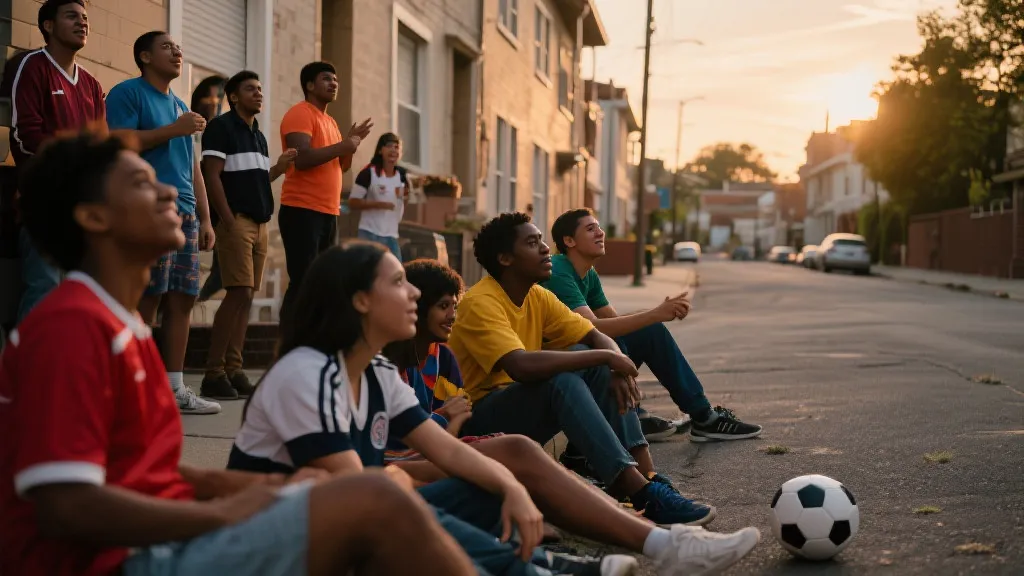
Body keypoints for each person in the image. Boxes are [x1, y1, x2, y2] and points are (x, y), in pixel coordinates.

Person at [0, 128, 478, 576]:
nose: (171, 191)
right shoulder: (72, 327)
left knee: (352, 494)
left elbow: (143, 472)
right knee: (372, 497)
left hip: (155, 545)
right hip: (120, 563)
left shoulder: (127, 326)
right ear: (93, 216)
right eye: (143, 184)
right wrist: (225, 514)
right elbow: (66, 505)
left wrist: (250, 488)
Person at [229, 243, 658, 576]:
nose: (413, 291)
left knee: (488, 481)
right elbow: (359, 488)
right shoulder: (306, 374)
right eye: (398, 282)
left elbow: (449, 452)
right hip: (292, 545)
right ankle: (535, 569)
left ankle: (634, 544)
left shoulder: (375, 370)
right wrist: (405, 468)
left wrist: (512, 489)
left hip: (353, 518)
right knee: (389, 495)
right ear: (361, 301)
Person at [380, 258, 762, 575]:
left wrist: (611, 359)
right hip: (442, 444)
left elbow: (597, 329)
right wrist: (453, 426)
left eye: (452, 305)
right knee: (530, 431)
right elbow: (515, 370)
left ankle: (646, 503)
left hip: (434, 452)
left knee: (523, 452)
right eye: (405, 289)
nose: (451, 314)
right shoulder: (371, 365)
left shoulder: (422, 358)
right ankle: (628, 533)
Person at [447, 212, 716, 527]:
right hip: (478, 420)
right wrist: (604, 358)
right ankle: (634, 489)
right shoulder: (481, 302)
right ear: (506, 258)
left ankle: (647, 478)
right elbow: (520, 366)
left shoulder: (538, 295)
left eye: (542, 241)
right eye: (533, 243)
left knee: (591, 356)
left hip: (521, 409)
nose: (546, 249)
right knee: (566, 376)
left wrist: (612, 362)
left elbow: (593, 334)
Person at [544, 209, 762, 447]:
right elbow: (591, 329)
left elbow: (618, 327)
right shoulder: (558, 270)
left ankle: (702, 416)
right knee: (638, 328)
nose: (600, 232)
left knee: (649, 331)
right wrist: (654, 314)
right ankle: (632, 417)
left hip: (583, 359)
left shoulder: (588, 274)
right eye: (590, 229)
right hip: (558, 368)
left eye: (599, 227)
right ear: (569, 241)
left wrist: (625, 359)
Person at [105, 31, 220, 415]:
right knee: (148, 297)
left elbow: (194, 169)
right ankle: (130, 386)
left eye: (178, 47)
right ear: (145, 56)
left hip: (186, 212)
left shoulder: (180, 105)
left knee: (183, 299)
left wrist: (205, 218)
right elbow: (119, 142)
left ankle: (174, 389)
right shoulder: (128, 93)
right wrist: (175, 129)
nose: (177, 52)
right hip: (149, 207)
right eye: (167, 47)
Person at [199, 70, 298, 400]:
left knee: (247, 296)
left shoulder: (258, 135)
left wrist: (279, 169)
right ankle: (213, 373)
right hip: (236, 222)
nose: (258, 94)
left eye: (260, 89)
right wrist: (225, 219)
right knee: (238, 292)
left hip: (260, 224)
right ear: (233, 96)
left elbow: (254, 180)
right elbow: (211, 175)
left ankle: (234, 369)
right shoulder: (221, 127)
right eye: (250, 89)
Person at [10, 0, 106, 321]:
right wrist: (70, 171)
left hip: (83, 209)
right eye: (71, 16)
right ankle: (27, 368)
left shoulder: (92, 84)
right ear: (48, 26)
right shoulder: (33, 66)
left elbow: (101, 148)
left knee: (80, 298)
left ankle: (65, 370)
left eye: (85, 18)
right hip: (46, 203)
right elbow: (25, 135)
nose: (82, 23)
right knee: (45, 289)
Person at [278, 61, 373, 325]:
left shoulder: (330, 122)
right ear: (309, 85)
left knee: (322, 281)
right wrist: (345, 144)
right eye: (326, 79)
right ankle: (288, 346)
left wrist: (350, 146)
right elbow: (304, 159)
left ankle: (312, 342)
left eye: (335, 80)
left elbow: (341, 167)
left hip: (328, 212)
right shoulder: (300, 113)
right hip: (301, 210)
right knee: (304, 280)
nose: (333, 83)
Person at [193, 75, 228, 303]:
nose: (214, 102)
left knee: (221, 271)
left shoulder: (222, 131)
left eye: (219, 98)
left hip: (214, 208)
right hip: (192, 203)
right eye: (210, 97)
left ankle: (196, 301)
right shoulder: (189, 127)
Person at [349, 132, 409, 261]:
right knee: (366, 273)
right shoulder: (368, 173)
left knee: (395, 274)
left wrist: (406, 196)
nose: (393, 150)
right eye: (389, 146)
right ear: (380, 150)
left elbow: (405, 200)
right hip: (369, 233)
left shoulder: (402, 175)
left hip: (391, 235)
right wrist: (380, 205)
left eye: (396, 147)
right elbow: (353, 202)